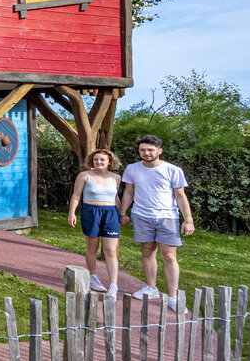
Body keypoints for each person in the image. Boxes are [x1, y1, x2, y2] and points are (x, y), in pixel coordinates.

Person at [119, 134, 194, 312]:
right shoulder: (132, 169)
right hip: (141, 215)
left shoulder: (172, 170)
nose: (146, 153)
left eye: (150, 150)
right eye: (142, 150)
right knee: (147, 251)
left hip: (167, 217)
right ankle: (151, 288)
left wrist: (188, 220)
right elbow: (129, 192)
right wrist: (122, 212)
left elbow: (180, 195)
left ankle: (173, 297)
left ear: (159, 151)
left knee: (168, 256)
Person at [67, 148, 122, 298]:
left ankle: (113, 285)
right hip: (91, 212)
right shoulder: (84, 176)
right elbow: (76, 196)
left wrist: (122, 214)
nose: (99, 162)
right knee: (92, 247)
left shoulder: (116, 178)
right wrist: (72, 213)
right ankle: (93, 277)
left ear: (109, 162)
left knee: (110, 250)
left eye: (102, 160)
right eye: (96, 159)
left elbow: (116, 197)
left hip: (110, 213)